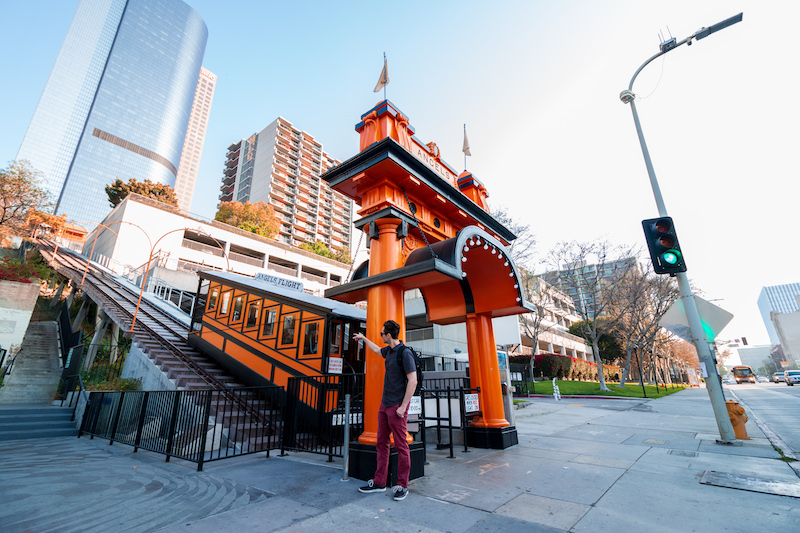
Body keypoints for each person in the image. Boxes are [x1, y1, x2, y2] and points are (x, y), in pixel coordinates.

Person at [354, 320, 417, 501]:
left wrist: (403, 406)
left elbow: (413, 381)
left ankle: (402, 485)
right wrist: (364, 338)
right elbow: (375, 349)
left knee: (401, 446)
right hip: (385, 405)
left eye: (382, 334)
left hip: (397, 407)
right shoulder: (388, 351)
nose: (381, 336)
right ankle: (379, 481)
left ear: (388, 335)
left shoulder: (405, 354)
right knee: (381, 443)